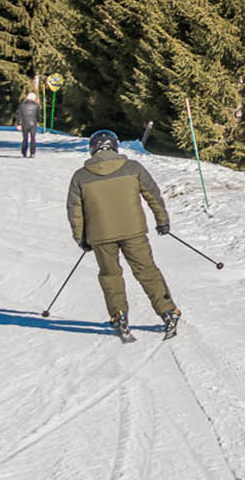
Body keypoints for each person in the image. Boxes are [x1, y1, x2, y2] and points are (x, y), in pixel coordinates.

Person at [66, 129, 181, 341]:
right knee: (147, 271)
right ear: (115, 146)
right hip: (133, 231)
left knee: (110, 276)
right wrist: (162, 220)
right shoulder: (132, 168)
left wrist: (81, 237)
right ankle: (168, 311)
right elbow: (153, 195)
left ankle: (118, 315)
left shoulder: (80, 176)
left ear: (92, 149)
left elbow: (75, 211)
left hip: (100, 236)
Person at [17, 91, 41, 157]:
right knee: (33, 138)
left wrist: (18, 124)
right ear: (34, 98)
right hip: (33, 123)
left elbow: (19, 115)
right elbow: (38, 115)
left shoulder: (22, 105)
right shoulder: (36, 106)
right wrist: (39, 121)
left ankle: (24, 152)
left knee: (25, 138)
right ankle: (32, 153)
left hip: (24, 123)